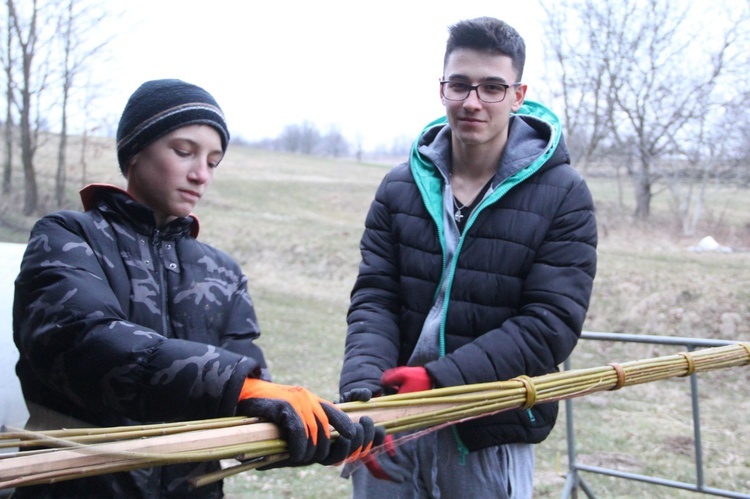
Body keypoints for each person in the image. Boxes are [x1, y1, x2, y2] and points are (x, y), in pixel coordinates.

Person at [13, 79, 380, 499]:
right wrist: (239, 387)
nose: (200, 174)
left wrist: (309, 433)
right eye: (184, 152)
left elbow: (247, 413)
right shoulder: (66, 237)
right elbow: (81, 341)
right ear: (134, 150)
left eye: (213, 161)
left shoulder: (220, 271)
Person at [338, 17, 597, 498]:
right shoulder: (399, 186)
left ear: (518, 95)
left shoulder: (564, 193)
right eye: (459, 84)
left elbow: (549, 325)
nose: (472, 102)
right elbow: (376, 296)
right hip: (390, 425)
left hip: (485, 431)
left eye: (492, 87)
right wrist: (362, 396)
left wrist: (436, 381)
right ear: (442, 89)